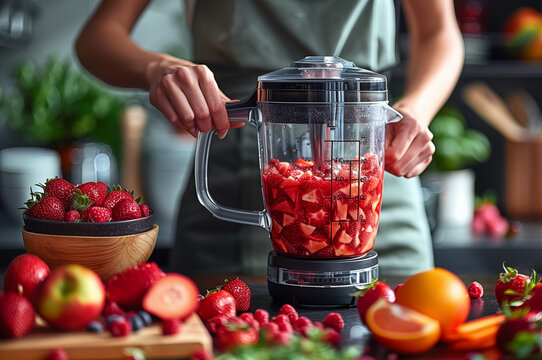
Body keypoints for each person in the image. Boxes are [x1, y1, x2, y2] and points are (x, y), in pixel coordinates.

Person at [75, 0, 464, 276]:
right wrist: (157, 67)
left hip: (371, 172)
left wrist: (415, 110)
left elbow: (439, 33)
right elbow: (97, 38)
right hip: (231, 183)